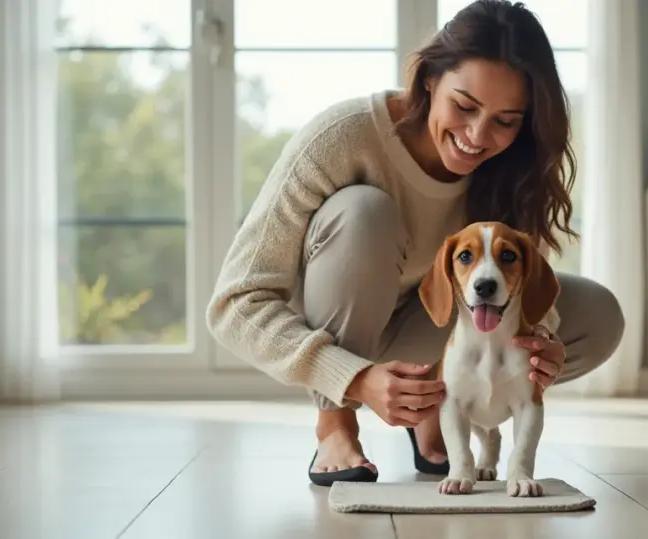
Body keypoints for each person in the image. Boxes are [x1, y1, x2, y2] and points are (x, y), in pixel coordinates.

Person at [206, 0, 625, 486]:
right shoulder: (341, 138)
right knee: (365, 212)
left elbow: (523, 284)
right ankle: (335, 423)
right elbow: (234, 305)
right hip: (337, 325)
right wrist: (350, 376)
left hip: (437, 324)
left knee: (598, 315)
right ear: (429, 79)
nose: (477, 135)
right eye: (464, 106)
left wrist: (542, 342)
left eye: (506, 120)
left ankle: (439, 401)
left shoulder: (513, 168)